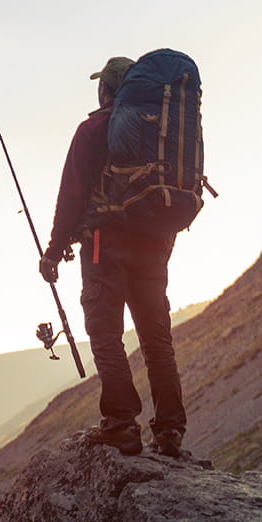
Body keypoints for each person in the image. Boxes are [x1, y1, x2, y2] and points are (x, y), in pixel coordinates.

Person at [38, 56, 186, 458]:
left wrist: (53, 250)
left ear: (106, 89)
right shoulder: (159, 131)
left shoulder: (92, 130)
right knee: (157, 340)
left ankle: (122, 424)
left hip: (106, 244)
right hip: (155, 246)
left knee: (105, 334)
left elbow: (71, 196)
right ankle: (170, 431)